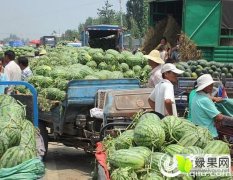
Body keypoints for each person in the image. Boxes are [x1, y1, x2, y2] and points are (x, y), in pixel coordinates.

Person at [191, 74, 233, 138]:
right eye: (208, 85)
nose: (211, 87)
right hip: (209, 134)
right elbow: (219, 117)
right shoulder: (204, 100)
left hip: (199, 132)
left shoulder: (196, 96)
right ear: (202, 87)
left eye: (211, 85)